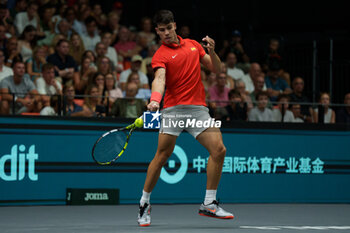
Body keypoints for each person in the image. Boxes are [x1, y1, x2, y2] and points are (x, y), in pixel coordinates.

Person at [137, 10, 233, 227]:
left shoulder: (193, 45)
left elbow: (216, 69)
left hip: (198, 110)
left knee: (219, 149)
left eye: (169, 28)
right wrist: (154, 100)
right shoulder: (160, 54)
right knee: (161, 156)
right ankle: (144, 201)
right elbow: (159, 79)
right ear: (157, 32)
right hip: (173, 110)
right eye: (161, 30)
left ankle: (209, 203)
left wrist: (213, 51)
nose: (166, 33)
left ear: (174, 26)